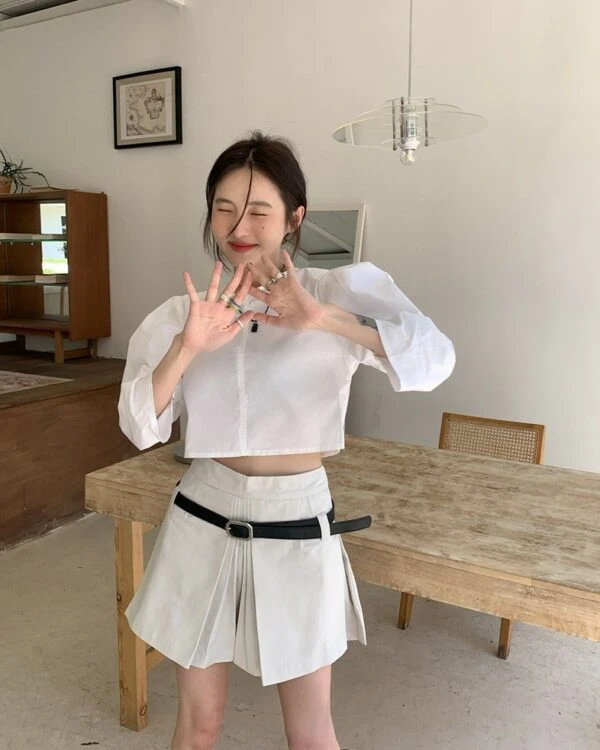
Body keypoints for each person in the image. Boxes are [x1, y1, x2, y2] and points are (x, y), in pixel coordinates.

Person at [118, 131, 455, 750]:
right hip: (203, 513)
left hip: (298, 518)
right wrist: (188, 346)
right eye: (223, 208)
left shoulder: (337, 293)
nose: (237, 227)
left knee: (310, 730)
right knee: (198, 723)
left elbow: (435, 359)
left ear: (295, 217)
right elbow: (141, 425)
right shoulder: (183, 313)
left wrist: (324, 319)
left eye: (258, 210)